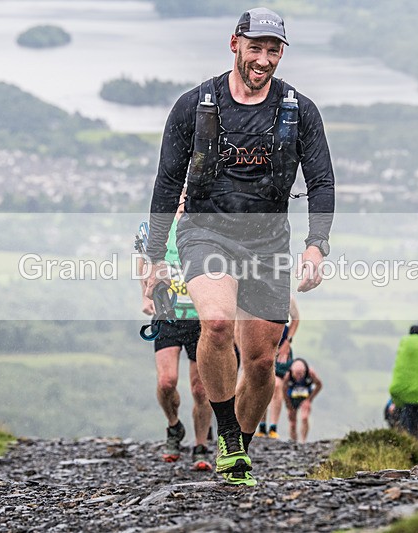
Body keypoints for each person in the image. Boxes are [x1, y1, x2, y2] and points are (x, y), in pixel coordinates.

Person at [143, 7, 335, 486]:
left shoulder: (299, 110)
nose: (265, 59)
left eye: (274, 51)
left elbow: (322, 181)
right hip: (206, 231)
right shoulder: (195, 105)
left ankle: (237, 452)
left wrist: (316, 246)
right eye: (257, 48)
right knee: (215, 320)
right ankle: (227, 433)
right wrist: (154, 259)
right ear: (235, 45)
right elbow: (168, 183)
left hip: (268, 241)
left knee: (261, 359)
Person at [138, 198, 212, 471]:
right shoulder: (160, 230)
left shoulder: (205, 228)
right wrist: (145, 297)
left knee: (200, 390)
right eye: (178, 201)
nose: (182, 205)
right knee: (167, 382)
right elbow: (144, 262)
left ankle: (201, 446)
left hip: (200, 319)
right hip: (168, 313)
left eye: (187, 200)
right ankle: (174, 426)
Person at [256, 296, 300, 439]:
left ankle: (273, 427)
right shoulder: (255, 292)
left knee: (277, 385)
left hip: (281, 345)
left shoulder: (287, 297)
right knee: (261, 385)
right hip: (261, 342)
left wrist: (288, 342)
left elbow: (296, 318)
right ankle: (261, 425)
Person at [283, 358, 322, 443]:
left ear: (304, 372)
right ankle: (294, 441)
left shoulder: (310, 373)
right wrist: (288, 404)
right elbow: (283, 390)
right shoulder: (287, 376)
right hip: (292, 398)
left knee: (304, 417)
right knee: (292, 422)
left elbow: (319, 385)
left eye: (300, 374)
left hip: (305, 397)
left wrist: (310, 399)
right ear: (292, 372)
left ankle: (303, 441)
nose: (298, 377)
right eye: (296, 374)